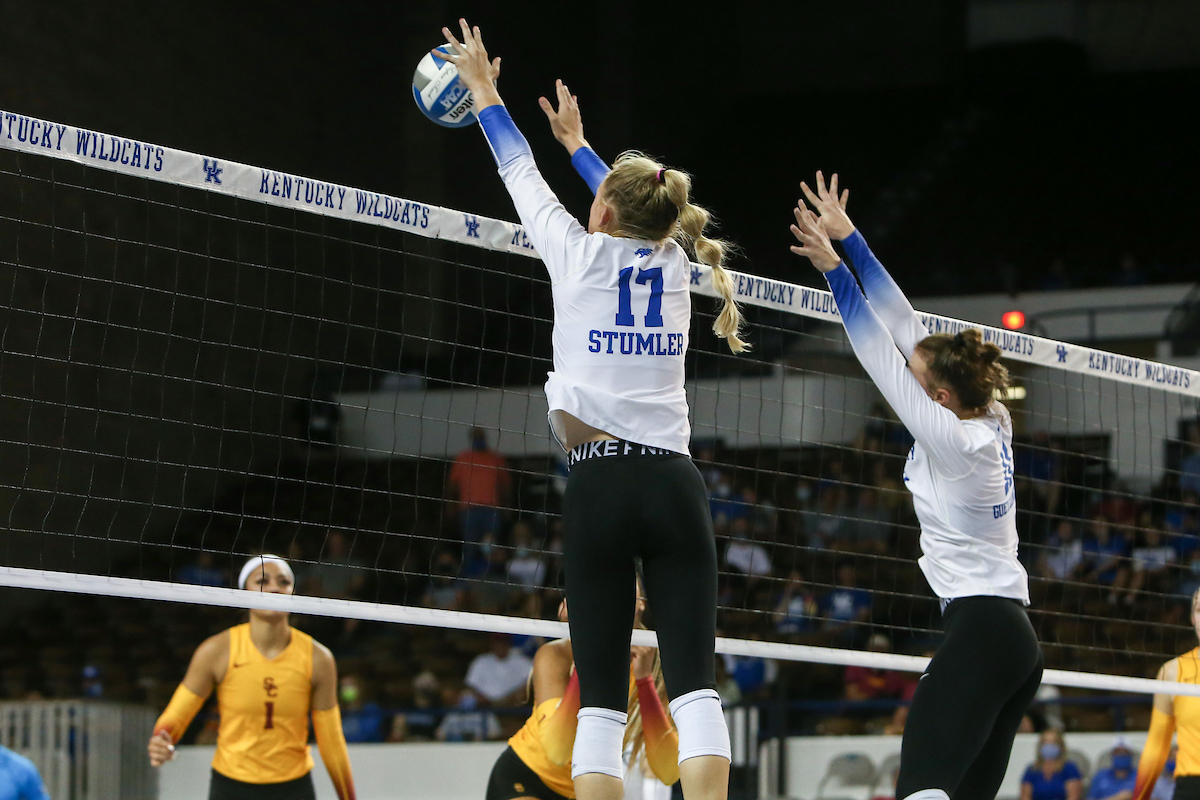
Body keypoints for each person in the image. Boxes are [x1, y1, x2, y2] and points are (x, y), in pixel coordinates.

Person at [434, 19, 739, 800]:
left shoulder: (573, 253)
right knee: (697, 687)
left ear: (601, 211)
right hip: (674, 484)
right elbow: (645, 210)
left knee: (600, 702)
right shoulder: (675, 264)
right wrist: (583, 153)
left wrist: (485, 95)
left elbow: (514, 166)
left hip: (601, 486)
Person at [790, 172, 1042, 800]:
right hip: (1013, 640)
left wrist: (834, 272)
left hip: (984, 631)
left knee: (922, 788)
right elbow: (905, 325)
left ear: (938, 396)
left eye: (919, 374)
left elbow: (881, 348)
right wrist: (849, 236)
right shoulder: (990, 417)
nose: (912, 361)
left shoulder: (953, 441)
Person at [147, 554, 355, 800]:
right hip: (232, 786)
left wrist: (348, 797)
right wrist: (163, 738)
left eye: (283, 582)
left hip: (293, 787)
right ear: (244, 591)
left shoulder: (318, 659)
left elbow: (331, 740)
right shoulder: (217, 651)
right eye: (262, 581)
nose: (275, 588)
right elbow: (178, 714)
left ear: (293, 592)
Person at [486, 596, 679, 800]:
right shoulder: (558, 654)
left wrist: (644, 681)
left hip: (583, 789)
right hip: (527, 773)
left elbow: (668, 772)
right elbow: (557, 751)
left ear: (641, 602)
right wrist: (586, 654)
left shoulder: (657, 665)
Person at [1134, 588, 1200, 800]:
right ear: (1192, 618)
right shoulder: (1172, 671)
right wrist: (1139, 797)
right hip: (1191, 786)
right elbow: (1156, 746)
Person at [447, 427, 511, 548]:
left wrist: (506, 506)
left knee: (491, 547)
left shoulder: (495, 459)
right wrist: (451, 507)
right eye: (476, 437)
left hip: (491, 509)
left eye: (480, 437)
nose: (478, 439)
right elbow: (452, 486)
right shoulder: (462, 458)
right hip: (469, 510)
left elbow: (505, 486)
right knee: (470, 546)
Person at [466, 634, 535, 707]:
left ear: (509, 644)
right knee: (467, 697)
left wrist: (521, 691)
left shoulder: (521, 660)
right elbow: (471, 685)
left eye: (504, 643)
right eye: (498, 643)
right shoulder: (482, 660)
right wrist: (483, 699)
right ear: (492, 644)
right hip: (485, 706)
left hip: (512, 705)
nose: (501, 646)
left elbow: (534, 676)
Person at [1020, 729, 1082, 800]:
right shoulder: (1032, 770)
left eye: (1053, 742)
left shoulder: (1070, 768)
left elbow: (1073, 796)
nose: (1049, 745)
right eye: (1046, 742)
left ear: (1060, 746)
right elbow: (1025, 796)